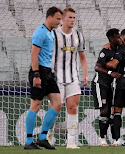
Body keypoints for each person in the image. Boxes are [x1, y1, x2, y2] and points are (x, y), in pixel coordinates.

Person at [24, 7, 63, 150]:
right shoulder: (40, 32)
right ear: (50, 17)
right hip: (39, 71)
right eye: (58, 19)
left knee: (57, 103)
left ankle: (42, 138)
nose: (60, 22)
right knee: (35, 105)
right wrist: (36, 74)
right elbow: (34, 54)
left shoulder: (50, 32)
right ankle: (28, 141)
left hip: (48, 72)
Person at [50, 8, 88, 149]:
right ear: (63, 19)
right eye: (70, 17)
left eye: (74, 18)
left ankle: (71, 141)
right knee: (56, 108)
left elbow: (82, 57)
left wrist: (85, 74)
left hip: (73, 77)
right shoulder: (53, 34)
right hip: (56, 77)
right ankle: (49, 133)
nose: (72, 20)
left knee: (73, 107)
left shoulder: (78, 35)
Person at [92, 28, 122, 146]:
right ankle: (102, 138)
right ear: (111, 39)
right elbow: (97, 67)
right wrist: (110, 73)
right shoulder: (105, 51)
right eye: (117, 37)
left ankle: (115, 139)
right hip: (100, 83)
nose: (119, 39)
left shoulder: (119, 49)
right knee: (104, 110)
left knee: (111, 111)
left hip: (111, 85)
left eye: (120, 36)